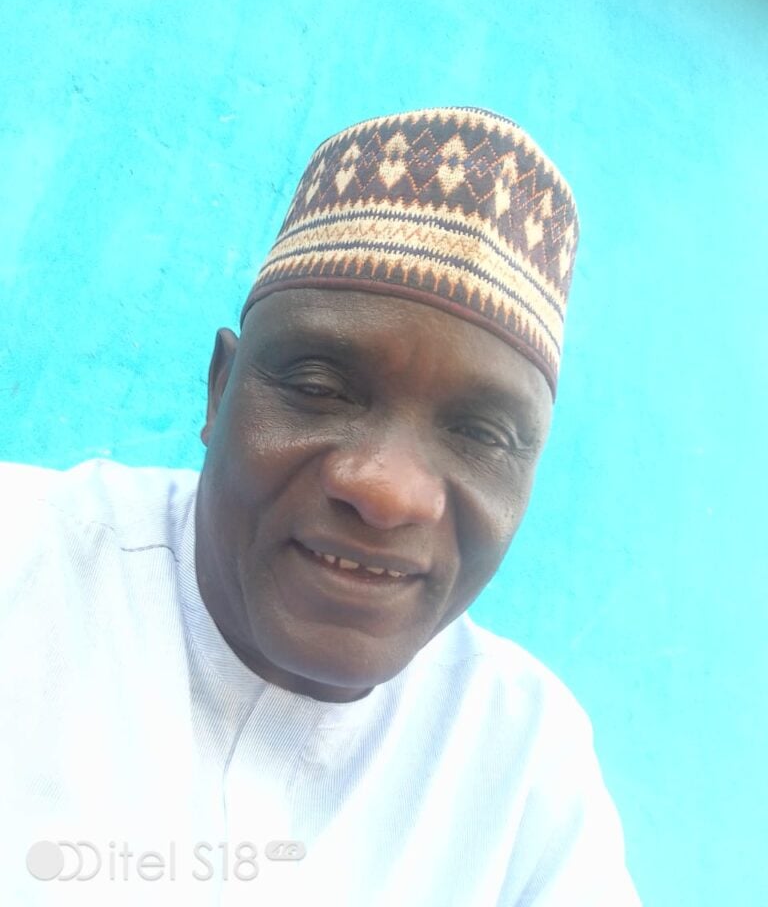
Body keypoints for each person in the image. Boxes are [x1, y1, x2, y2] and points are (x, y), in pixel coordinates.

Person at [1, 107, 641, 905]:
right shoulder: (22, 557)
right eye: (318, 387)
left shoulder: (523, 762)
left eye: (482, 434)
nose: (387, 491)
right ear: (220, 390)